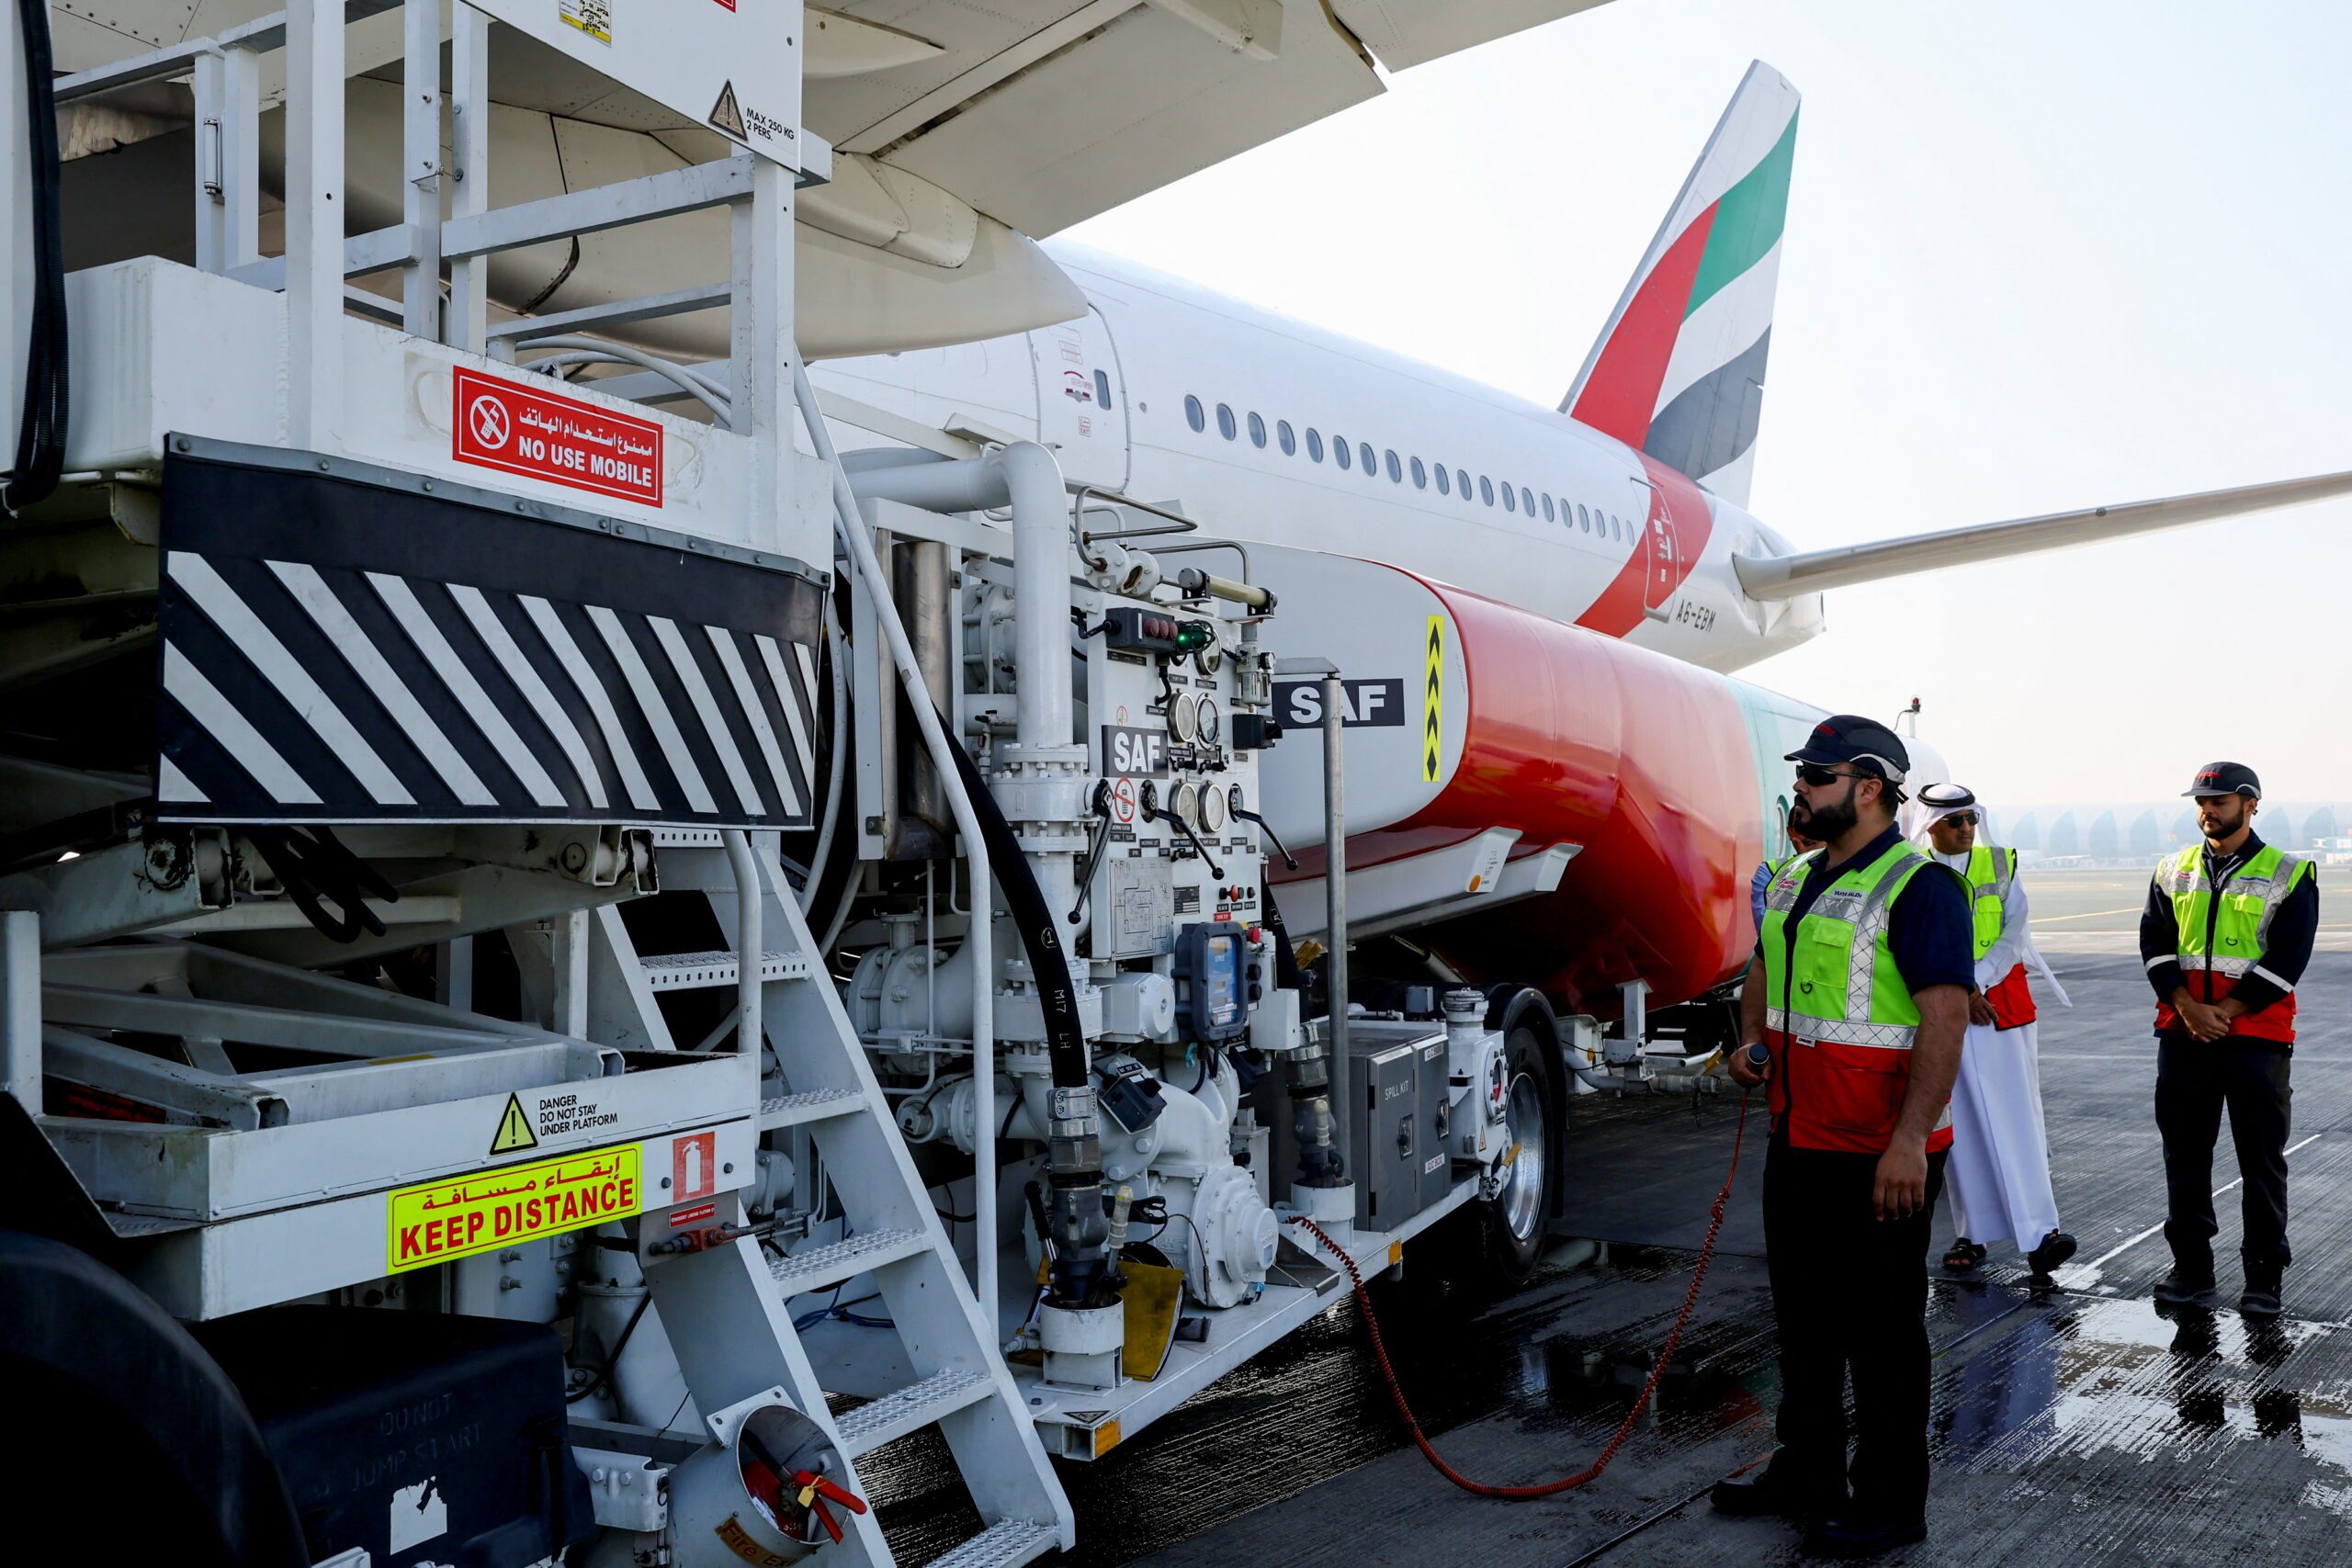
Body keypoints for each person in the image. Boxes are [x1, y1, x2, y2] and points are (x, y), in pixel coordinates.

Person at [1715, 716, 1974, 1559]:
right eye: (1804, 775)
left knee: (1883, 1334)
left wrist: (1909, 1141)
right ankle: (1809, 1469)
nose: (1802, 788)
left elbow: (1944, 1016)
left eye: (1818, 776)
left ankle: (1893, 1504)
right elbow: (1763, 965)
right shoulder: (1794, 876)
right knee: (1803, 1320)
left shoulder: (1920, 887)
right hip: (1799, 1138)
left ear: (1869, 786)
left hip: (1879, 1155)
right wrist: (1750, 1039)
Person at [2141, 761, 2318, 1321]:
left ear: (2250, 803)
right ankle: (2191, 1271)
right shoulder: (2172, 869)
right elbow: (2156, 945)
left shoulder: (2289, 871)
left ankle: (2263, 1279)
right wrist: (2189, 1008)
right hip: (2184, 1033)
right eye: (2201, 800)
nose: (2206, 810)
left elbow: (2290, 957)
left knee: (2261, 1164)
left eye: (2218, 801)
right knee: (2185, 1161)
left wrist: (2227, 1010)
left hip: (2257, 1042)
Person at [1912, 783, 2075, 1286]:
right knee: (1956, 1129)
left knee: (2018, 1121)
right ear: (1929, 826)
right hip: (1942, 1012)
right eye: (1955, 822)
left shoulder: (2001, 864)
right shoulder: (1912, 871)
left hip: (1996, 1008)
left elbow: (2014, 932)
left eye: (1970, 820)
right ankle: (1970, 1233)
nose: (1966, 829)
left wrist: (1972, 983)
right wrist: (1958, 993)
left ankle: (2042, 1234)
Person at [1751, 821, 1823, 936]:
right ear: (1790, 832)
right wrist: (1804, 863)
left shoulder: (1846, 869)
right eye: (1802, 827)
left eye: (1817, 826)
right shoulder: (1770, 870)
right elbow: (1764, 927)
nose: (1810, 833)